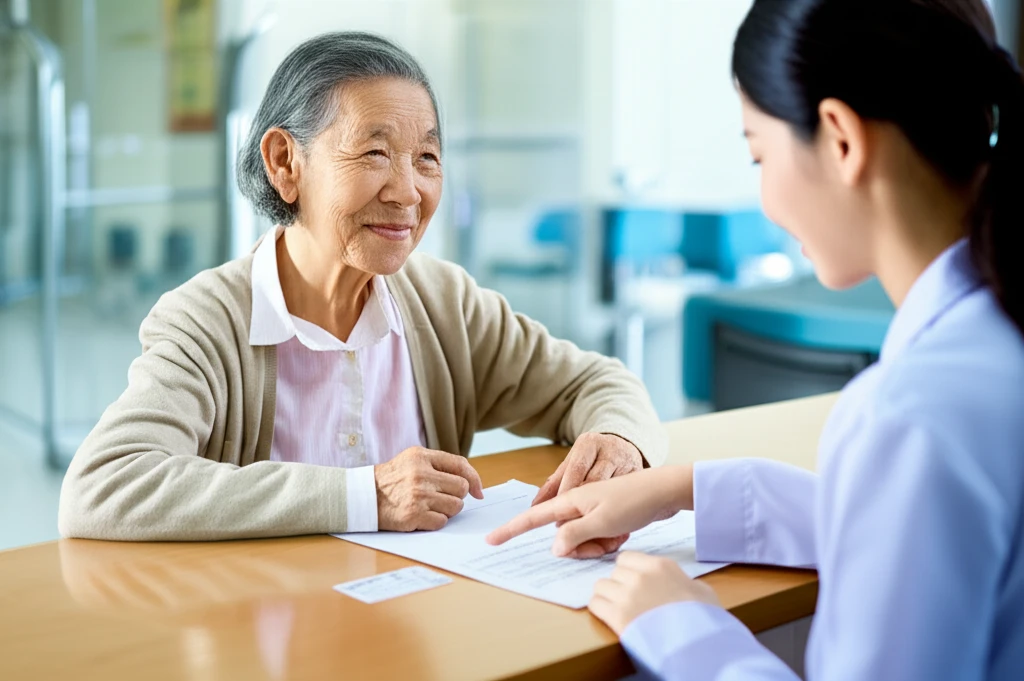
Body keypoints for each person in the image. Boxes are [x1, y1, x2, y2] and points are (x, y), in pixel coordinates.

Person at [488, 1, 1024, 678]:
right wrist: (683, 488)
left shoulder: (908, 415)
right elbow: (915, 532)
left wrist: (683, 630)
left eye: (759, 154)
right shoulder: (991, 345)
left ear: (841, 140)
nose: (766, 196)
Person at [58, 32, 665, 541]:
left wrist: (618, 440)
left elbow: (597, 383)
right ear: (285, 163)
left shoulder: (443, 301)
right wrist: (366, 495)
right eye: (375, 152)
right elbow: (105, 485)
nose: (408, 192)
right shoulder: (206, 320)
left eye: (426, 158)